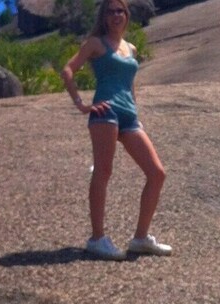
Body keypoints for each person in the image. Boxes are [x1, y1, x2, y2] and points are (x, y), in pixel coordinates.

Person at [61, 0, 172, 260]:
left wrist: (135, 112)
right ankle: (97, 239)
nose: (116, 15)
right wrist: (80, 103)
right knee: (104, 171)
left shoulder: (131, 48)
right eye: (110, 11)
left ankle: (140, 238)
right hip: (105, 111)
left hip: (128, 115)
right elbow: (68, 70)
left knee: (157, 173)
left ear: (126, 14)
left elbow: (129, 83)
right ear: (104, 15)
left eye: (120, 10)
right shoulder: (95, 43)